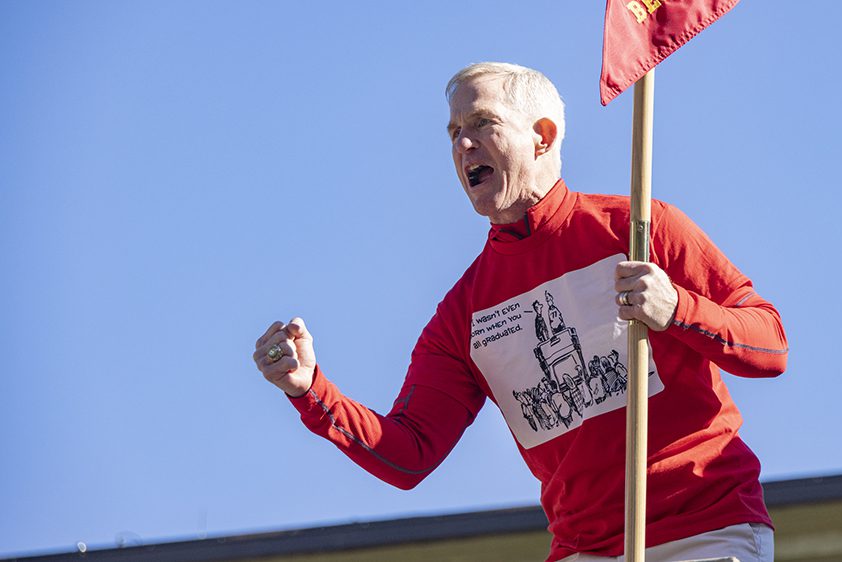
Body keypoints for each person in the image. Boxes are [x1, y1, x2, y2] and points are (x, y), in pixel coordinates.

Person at [253, 62, 787, 562]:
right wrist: (310, 389)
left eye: (482, 123)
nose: (463, 144)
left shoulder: (642, 228)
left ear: (543, 136)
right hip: (584, 550)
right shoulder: (463, 314)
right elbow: (409, 454)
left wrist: (678, 309)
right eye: (453, 131)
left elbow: (770, 343)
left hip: (707, 532)